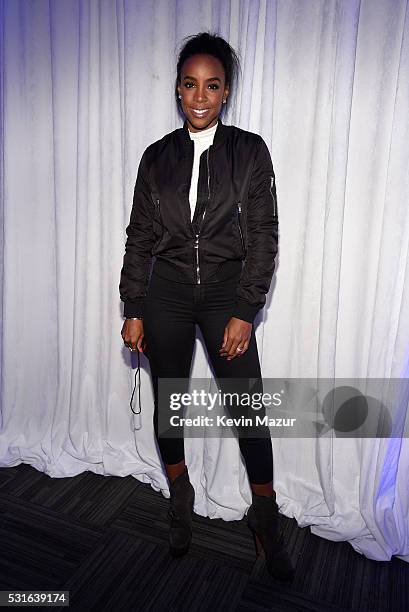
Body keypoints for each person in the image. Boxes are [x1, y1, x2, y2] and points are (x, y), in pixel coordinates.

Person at [119, 32, 294, 582]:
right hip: (165, 292)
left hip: (226, 293)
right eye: (190, 84)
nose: (200, 96)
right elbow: (139, 237)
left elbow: (265, 235)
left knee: (248, 410)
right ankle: (179, 495)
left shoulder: (250, 150)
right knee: (169, 403)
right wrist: (133, 305)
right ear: (178, 89)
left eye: (212, 86)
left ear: (226, 92)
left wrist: (246, 309)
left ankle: (264, 520)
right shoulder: (157, 156)